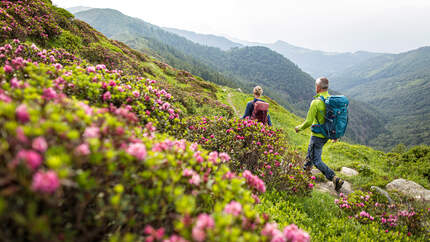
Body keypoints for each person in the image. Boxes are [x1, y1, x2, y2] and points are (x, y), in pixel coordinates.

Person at [295, 77, 344, 191]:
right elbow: (336, 119)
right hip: (327, 135)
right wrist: (335, 135)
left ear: (318, 87)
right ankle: (304, 175)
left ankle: (335, 178)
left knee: (316, 160)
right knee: (310, 155)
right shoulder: (331, 100)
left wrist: (299, 128)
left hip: (317, 135)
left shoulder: (316, 102)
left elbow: (308, 121)